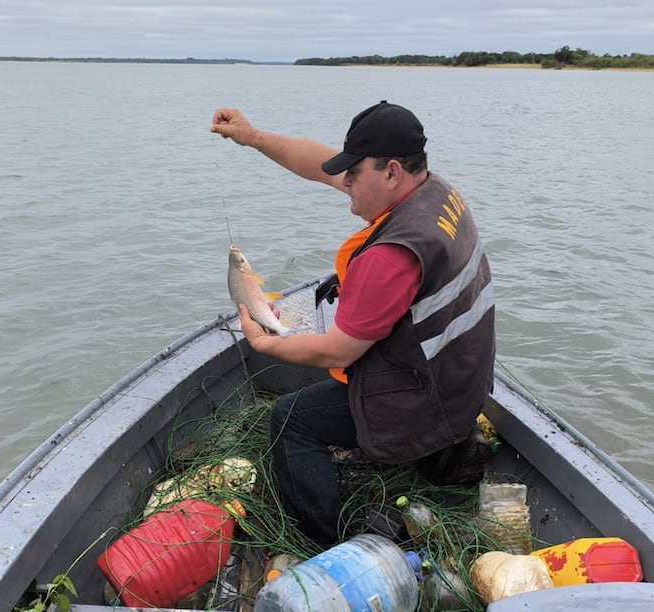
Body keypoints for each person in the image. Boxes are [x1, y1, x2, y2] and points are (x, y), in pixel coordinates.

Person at [210, 100, 496, 547]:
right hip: (462, 385)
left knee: (291, 419)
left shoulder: (391, 254)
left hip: (426, 408)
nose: (344, 185)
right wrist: (252, 136)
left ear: (391, 171)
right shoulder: (434, 192)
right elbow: (320, 165)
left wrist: (264, 345)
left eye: (353, 175)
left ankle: (324, 541)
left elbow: (336, 351)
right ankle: (437, 449)